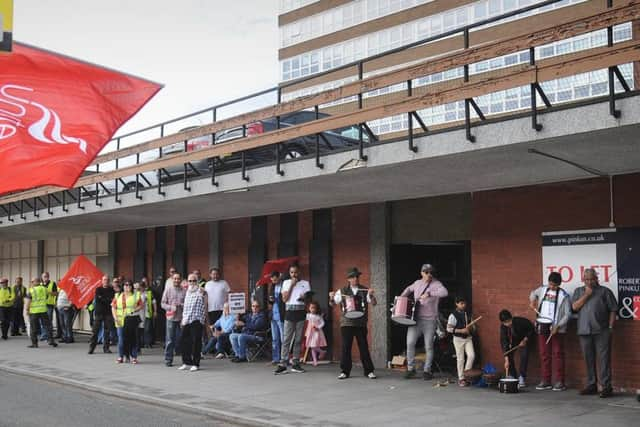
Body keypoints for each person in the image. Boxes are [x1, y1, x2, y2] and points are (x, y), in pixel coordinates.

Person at [571, 268, 617, 398]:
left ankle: (606, 387)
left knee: (604, 360)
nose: (589, 281)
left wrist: (610, 327)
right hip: (584, 330)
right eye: (587, 279)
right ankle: (592, 385)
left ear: (596, 278)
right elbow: (574, 307)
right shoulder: (579, 291)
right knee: (588, 359)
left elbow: (613, 309)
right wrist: (586, 295)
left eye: (592, 279)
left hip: (602, 331)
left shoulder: (605, 291)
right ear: (583, 279)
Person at [400, 263, 448, 380]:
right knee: (410, 343)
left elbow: (445, 292)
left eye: (431, 272)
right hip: (415, 319)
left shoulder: (436, 284)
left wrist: (430, 293)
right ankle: (411, 369)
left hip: (430, 320)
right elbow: (408, 289)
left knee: (429, 346)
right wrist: (402, 297)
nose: (429, 274)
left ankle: (427, 370)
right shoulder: (417, 283)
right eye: (426, 272)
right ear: (421, 273)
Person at [329, 267, 377, 379]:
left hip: (360, 323)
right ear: (349, 279)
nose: (355, 278)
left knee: (364, 347)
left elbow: (374, 303)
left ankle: (369, 371)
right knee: (346, 347)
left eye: (357, 276)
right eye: (353, 277)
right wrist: (331, 297)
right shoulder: (342, 291)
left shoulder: (364, 290)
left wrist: (371, 294)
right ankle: (344, 371)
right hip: (347, 323)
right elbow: (333, 304)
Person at [529, 271, 571, 392]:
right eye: (550, 284)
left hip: (556, 327)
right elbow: (533, 293)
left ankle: (560, 381)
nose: (552, 287)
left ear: (559, 284)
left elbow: (568, 314)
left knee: (558, 354)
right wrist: (532, 301)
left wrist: (558, 325)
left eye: (554, 285)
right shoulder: (542, 289)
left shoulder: (564, 296)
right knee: (544, 354)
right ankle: (546, 380)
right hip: (543, 324)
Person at [274, 264, 311, 375]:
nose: (294, 274)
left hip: (300, 311)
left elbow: (308, 301)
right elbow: (285, 299)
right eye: (292, 272)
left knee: (298, 339)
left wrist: (305, 298)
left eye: (296, 272)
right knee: (286, 339)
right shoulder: (285, 283)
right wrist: (291, 286)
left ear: (299, 272)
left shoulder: (305, 283)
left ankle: (295, 363)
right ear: (289, 273)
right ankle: (283, 364)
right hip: (289, 312)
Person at [178, 274, 208, 372]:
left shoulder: (200, 290)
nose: (191, 283)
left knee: (196, 342)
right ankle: (186, 362)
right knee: (184, 341)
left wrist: (203, 319)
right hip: (187, 319)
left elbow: (206, 301)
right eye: (190, 281)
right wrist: (183, 319)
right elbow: (186, 306)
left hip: (196, 319)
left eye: (194, 281)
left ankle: (196, 363)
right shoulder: (187, 292)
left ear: (197, 281)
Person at [499, 309, 534, 388]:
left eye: (508, 321)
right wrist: (506, 359)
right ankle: (513, 375)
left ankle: (522, 376)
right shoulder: (503, 327)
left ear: (511, 318)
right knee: (509, 354)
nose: (507, 324)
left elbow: (531, 329)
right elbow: (504, 342)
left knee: (524, 355)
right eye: (505, 323)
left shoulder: (520, 321)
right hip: (514, 341)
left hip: (524, 339)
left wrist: (525, 339)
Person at [446, 296, 476, 387]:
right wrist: (461, 330)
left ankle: (466, 374)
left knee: (471, 355)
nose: (463, 305)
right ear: (456, 304)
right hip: (458, 339)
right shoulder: (453, 315)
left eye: (464, 303)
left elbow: (472, 326)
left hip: (468, 338)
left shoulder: (467, 313)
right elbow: (448, 329)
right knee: (460, 359)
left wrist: (471, 328)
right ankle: (461, 378)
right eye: (461, 303)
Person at [112, 280, 143, 364]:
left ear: (132, 287)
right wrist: (115, 318)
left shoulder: (136, 295)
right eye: (125, 285)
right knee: (122, 339)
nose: (127, 286)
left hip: (131, 320)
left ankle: (133, 357)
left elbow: (141, 305)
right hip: (120, 321)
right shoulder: (118, 295)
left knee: (132, 339)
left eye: (129, 285)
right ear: (123, 286)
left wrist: (134, 310)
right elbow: (113, 307)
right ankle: (121, 356)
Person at [161, 272, 186, 367]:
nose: (176, 280)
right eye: (175, 279)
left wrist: (181, 305)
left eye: (178, 278)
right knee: (170, 340)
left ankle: (185, 359)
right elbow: (162, 304)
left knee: (181, 339)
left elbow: (187, 303)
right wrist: (171, 307)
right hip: (171, 317)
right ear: (172, 279)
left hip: (181, 318)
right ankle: (168, 359)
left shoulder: (184, 291)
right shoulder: (168, 290)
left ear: (181, 280)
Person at [24, 277, 57, 348]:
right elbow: (47, 297)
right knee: (47, 326)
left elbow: (28, 301)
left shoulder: (31, 290)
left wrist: (27, 310)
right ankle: (51, 340)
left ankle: (34, 343)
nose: (31, 283)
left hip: (34, 312)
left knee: (33, 328)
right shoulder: (44, 289)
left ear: (35, 282)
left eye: (32, 282)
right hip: (43, 310)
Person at [89, 276, 116, 354]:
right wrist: (107, 299)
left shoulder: (111, 290)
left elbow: (112, 300)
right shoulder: (98, 289)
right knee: (95, 331)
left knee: (107, 332)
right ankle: (92, 348)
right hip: (99, 313)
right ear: (102, 281)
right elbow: (99, 299)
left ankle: (106, 348)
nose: (106, 281)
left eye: (107, 280)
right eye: (104, 280)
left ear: (109, 281)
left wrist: (103, 298)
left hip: (108, 313)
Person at [268, 271, 285, 365]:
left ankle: (284, 358)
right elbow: (270, 302)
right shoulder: (272, 286)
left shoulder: (283, 285)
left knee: (283, 338)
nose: (274, 280)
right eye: (272, 279)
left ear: (279, 277)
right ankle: (276, 358)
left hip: (281, 314)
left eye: (275, 278)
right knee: (275, 338)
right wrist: (270, 301)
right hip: (273, 315)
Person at [305, 301, 327, 367]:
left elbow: (322, 323)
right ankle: (315, 361)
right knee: (312, 346)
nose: (313, 309)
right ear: (309, 308)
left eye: (314, 308)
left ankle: (322, 352)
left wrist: (318, 327)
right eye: (311, 308)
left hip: (316, 332)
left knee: (313, 346)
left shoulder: (318, 316)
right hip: (310, 332)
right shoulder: (308, 315)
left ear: (317, 309)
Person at [141, 281, 157, 348]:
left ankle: (148, 343)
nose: (141, 288)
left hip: (148, 313)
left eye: (142, 287)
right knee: (141, 329)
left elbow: (154, 302)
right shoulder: (137, 294)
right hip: (140, 314)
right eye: (140, 287)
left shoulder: (149, 294)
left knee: (148, 329)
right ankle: (142, 343)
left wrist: (155, 311)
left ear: (145, 287)